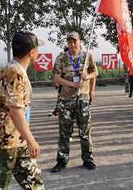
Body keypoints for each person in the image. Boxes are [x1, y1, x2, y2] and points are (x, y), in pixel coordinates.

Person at [0, 31, 45, 190]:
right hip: (6, 141)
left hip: (17, 138)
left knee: (34, 182)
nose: (38, 51)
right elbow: (15, 111)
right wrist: (31, 139)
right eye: (38, 48)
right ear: (31, 52)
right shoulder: (15, 73)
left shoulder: (10, 69)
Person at [51, 32, 98, 172]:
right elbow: (56, 78)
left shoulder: (87, 56)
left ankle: (88, 159)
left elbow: (95, 73)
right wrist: (72, 85)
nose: (72, 44)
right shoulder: (61, 58)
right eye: (69, 42)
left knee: (85, 131)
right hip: (65, 99)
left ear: (80, 42)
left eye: (74, 41)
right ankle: (62, 161)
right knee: (64, 132)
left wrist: (87, 77)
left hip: (82, 98)